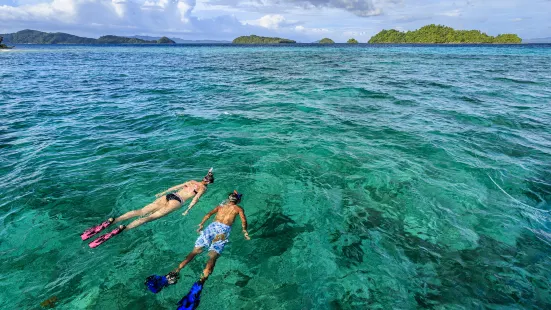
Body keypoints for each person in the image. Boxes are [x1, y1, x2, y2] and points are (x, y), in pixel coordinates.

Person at [81, 168, 215, 248]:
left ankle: (115, 220)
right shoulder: (202, 188)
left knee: (141, 211)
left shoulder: (192, 181)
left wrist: (162, 193)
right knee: (149, 218)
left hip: (171, 195)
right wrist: (187, 210)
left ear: (203, 177)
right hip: (178, 200)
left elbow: (175, 187)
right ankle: (124, 228)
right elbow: (195, 199)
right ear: (209, 183)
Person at [175, 190, 250, 282]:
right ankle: (201, 280)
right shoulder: (238, 209)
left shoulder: (220, 206)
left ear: (228, 199)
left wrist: (201, 224)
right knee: (212, 256)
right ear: (238, 201)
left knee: (195, 251)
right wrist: (244, 231)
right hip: (223, 230)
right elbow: (244, 221)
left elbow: (208, 215)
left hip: (212, 227)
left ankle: (176, 270)